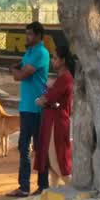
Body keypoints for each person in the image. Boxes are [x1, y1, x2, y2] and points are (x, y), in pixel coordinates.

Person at [8, 21, 50, 197]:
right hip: (27, 106)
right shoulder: (30, 52)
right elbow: (21, 68)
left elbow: (21, 75)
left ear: (39, 35)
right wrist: (17, 69)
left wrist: (15, 71)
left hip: (36, 108)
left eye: (30, 34)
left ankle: (35, 185)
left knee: (33, 146)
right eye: (27, 34)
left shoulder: (40, 52)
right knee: (26, 146)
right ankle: (30, 185)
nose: (28, 37)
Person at [34, 47, 75, 191]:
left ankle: (74, 194)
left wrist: (42, 98)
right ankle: (54, 195)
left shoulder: (65, 79)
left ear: (63, 61)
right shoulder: (61, 79)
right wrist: (46, 91)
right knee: (51, 164)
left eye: (55, 58)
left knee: (58, 162)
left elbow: (47, 99)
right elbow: (49, 97)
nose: (52, 60)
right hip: (52, 122)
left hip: (56, 125)